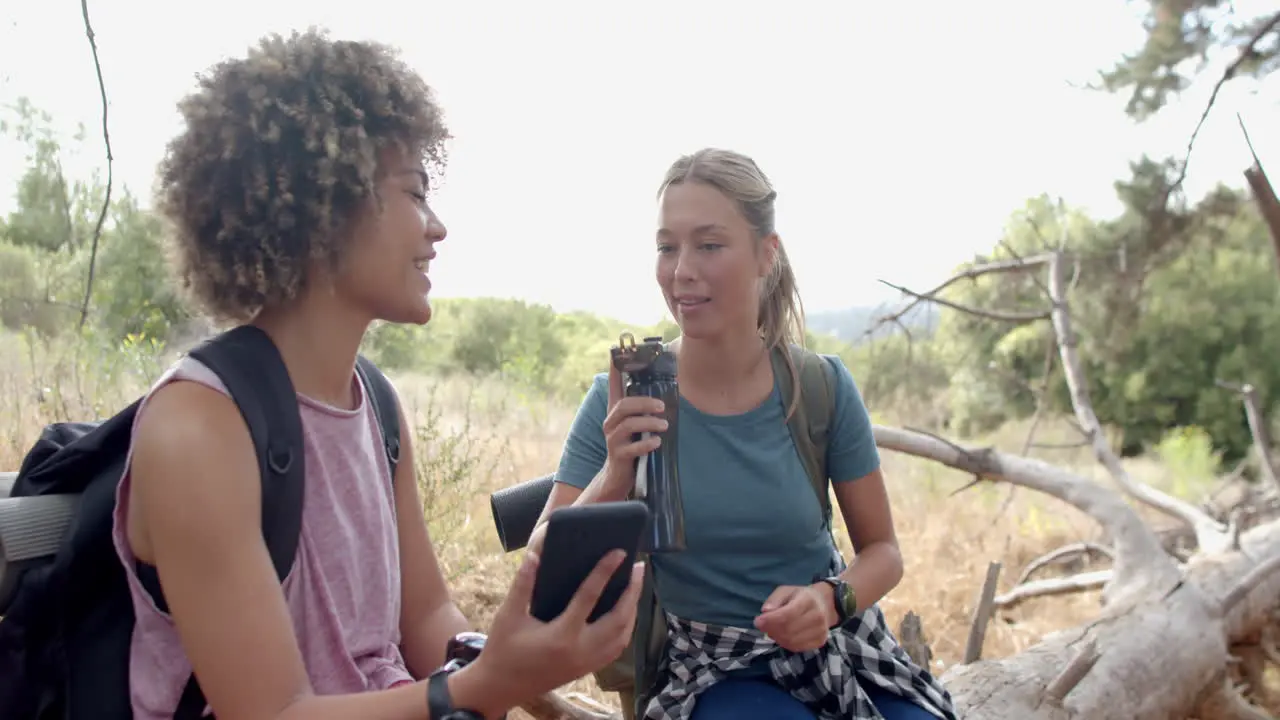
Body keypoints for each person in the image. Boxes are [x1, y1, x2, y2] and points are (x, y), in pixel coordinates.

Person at [110, 29, 643, 720]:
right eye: (414, 193)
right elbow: (271, 712)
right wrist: (486, 686)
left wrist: (538, 675)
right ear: (323, 202)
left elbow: (425, 623)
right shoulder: (198, 428)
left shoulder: (377, 407)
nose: (437, 227)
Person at [532, 148, 957, 720]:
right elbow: (541, 564)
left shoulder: (820, 389)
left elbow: (883, 553)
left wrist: (829, 601)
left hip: (837, 648)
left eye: (709, 245)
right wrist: (615, 475)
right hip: (709, 671)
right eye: (666, 247)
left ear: (765, 254)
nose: (681, 269)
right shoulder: (624, 398)